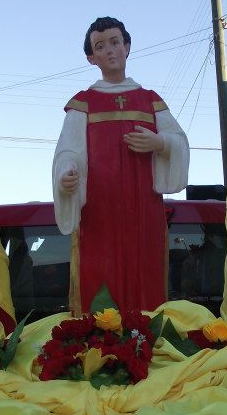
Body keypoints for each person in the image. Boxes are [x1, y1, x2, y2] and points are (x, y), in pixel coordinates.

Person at [52, 16, 189, 314]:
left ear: (127, 47)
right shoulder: (83, 104)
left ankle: (143, 342)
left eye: (115, 42)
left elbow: (178, 139)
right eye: (100, 46)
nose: (110, 50)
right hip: (98, 216)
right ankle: (103, 345)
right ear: (91, 58)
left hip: (144, 214)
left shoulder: (150, 101)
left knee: (146, 277)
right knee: (101, 277)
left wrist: (160, 143)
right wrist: (66, 176)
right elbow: (68, 151)